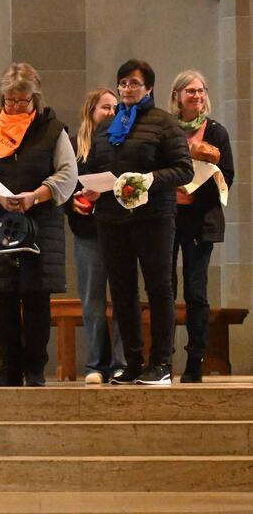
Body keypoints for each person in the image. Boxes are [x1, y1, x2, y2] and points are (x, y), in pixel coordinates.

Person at [0, 63, 76, 387]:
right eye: (9, 100)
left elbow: (67, 173)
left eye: (22, 101)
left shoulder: (54, 130)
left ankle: (35, 368)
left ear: (35, 99)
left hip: (40, 224)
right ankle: (9, 367)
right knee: (4, 297)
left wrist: (37, 196)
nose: (14, 106)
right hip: (0, 226)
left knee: (37, 296)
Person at [84, 60, 192, 386]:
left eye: (134, 83)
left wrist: (148, 179)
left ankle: (161, 363)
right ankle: (133, 361)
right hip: (111, 218)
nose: (127, 89)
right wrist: (91, 187)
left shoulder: (164, 123)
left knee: (159, 288)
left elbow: (183, 169)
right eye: (123, 84)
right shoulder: (105, 127)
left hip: (154, 217)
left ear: (148, 88)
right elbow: (96, 165)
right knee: (121, 289)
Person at [168, 70, 234, 383]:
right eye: (190, 91)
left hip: (200, 218)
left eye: (201, 90)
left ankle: (195, 360)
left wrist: (196, 187)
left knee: (196, 291)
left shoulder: (217, 132)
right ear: (177, 96)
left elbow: (228, 176)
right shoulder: (166, 129)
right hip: (166, 217)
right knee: (164, 289)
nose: (197, 95)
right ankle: (162, 359)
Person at [66, 88, 125, 384]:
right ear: (91, 112)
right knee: (93, 301)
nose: (112, 113)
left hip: (121, 231)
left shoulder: (124, 143)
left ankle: (121, 363)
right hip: (89, 232)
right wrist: (71, 202)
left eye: (116, 108)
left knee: (124, 297)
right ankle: (95, 365)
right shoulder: (75, 146)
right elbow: (62, 184)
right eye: (105, 108)